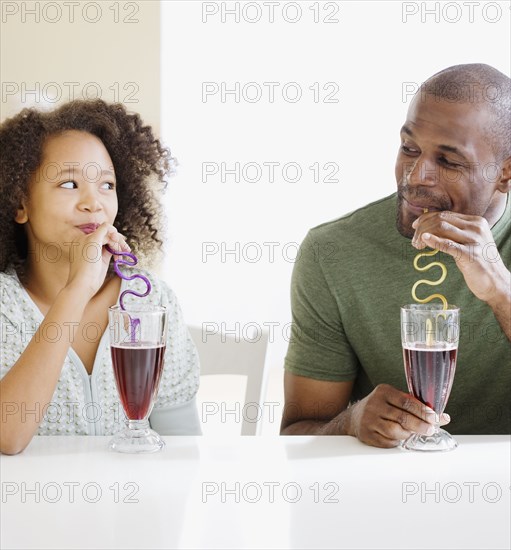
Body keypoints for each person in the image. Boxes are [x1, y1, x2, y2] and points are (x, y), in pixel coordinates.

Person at [280, 63, 511, 447]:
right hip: (381, 492)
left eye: (449, 161)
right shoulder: (332, 252)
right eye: (409, 148)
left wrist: (501, 290)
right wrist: (351, 422)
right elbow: (296, 435)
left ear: (505, 172)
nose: (417, 176)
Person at [0, 100, 201, 454]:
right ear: (20, 204)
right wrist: (78, 289)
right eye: (68, 184)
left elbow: (183, 448)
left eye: (107, 185)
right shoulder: (6, 306)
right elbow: (8, 437)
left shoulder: (151, 300)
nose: (94, 202)